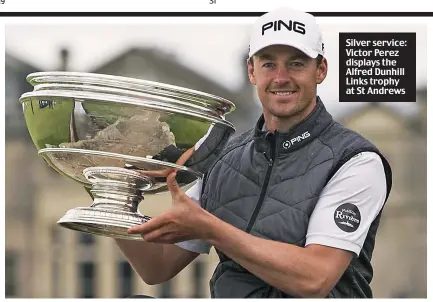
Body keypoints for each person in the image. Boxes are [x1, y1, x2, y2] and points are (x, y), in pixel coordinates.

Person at [116, 7, 392, 298]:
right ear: (252, 71)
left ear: (320, 70)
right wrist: (112, 192)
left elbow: (315, 278)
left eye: (296, 64)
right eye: (269, 64)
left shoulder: (356, 160)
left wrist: (211, 229)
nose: (281, 77)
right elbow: (156, 267)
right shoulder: (223, 157)